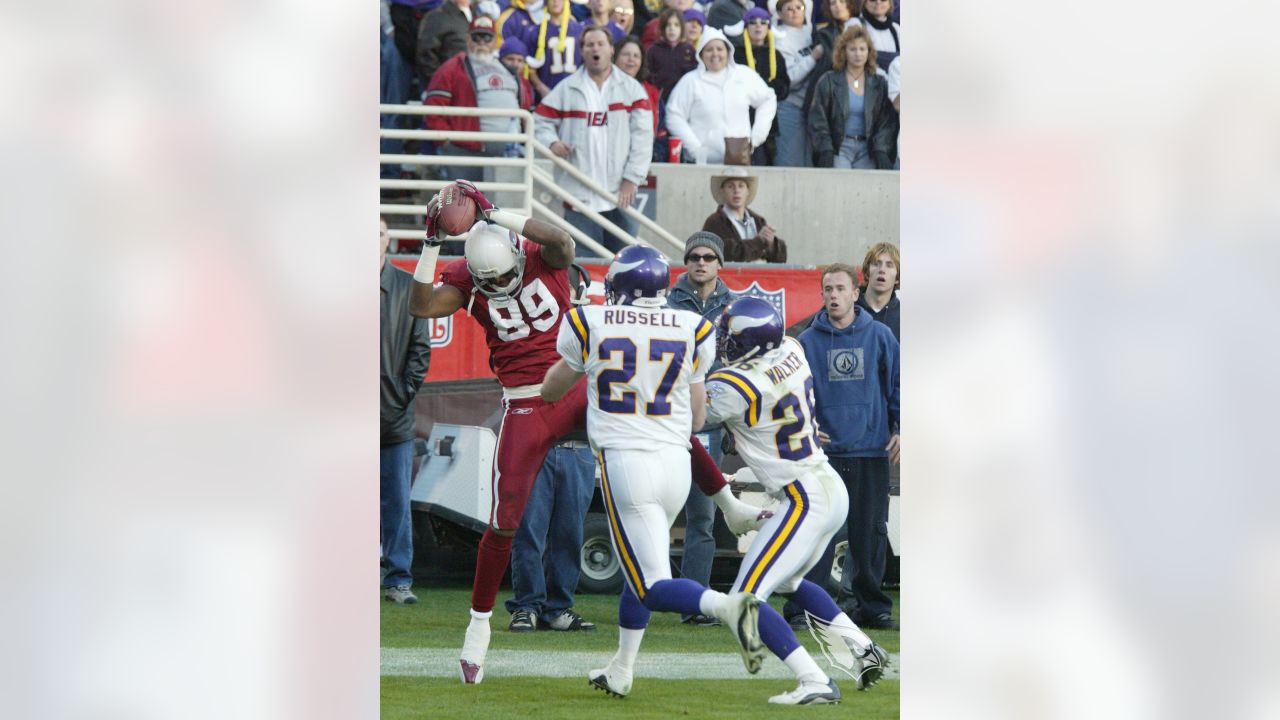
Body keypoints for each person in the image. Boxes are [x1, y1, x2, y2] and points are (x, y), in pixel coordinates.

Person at [408, 181, 761, 683]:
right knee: (505, 516)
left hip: (569, 383)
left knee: (656, 422)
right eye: (490, 281)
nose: (500, 285)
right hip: (525, 403)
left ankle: (730, 504)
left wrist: (498, 213)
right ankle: (478, 630)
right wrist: (429, 244)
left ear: (516, 251)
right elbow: (421, 306)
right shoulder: (470, 275)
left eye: (506, 274)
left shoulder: (537, 252)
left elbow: (563, 244)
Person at [541, 245, 771, 698]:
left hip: (628, 466)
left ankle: (729, 608)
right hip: (676, 466)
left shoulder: (591, 320)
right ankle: (622, 668)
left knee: (650, 584)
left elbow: (552, 390)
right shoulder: (694, 326)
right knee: (638, 571)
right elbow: (699, 420)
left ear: (620, 285)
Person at [706, 296, 890, 703]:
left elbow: (686, 414)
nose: (723, 341)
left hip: (802, 497)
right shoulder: (792, 347)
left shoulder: (734, 386)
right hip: (825, 483)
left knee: (743, 599)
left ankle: (814, 679)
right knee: (789, 580)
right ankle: (862, 648)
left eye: (729, 335)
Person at [797, 263, 900, 630]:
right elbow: (794, 393)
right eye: (828, 289)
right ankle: (806, 607)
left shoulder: (881, 336)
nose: (834, 296)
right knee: (816, 534)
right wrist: (807, 425)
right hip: (823, 456)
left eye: (841, 289)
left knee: (869, 532)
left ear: (856, 293)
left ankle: (873, 608)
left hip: (871, 451)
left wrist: (900, 427)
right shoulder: (807, 341)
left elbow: (900, 384)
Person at [533, 25, 654, 256]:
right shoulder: (566, 88)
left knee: (626, 264)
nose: (595, 49)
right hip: (578, 196)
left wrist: (632, 177)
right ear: (582, 51)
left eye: (600, 44)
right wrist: (552, 143)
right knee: (584, 267)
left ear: (611, 49)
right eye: (589, 44)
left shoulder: (632, 89)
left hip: (620, 194)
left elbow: (643, 138)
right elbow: (540, 121)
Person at [665, 231, 734, 624]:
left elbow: (741, 368)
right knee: (655, 513)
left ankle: (694, 603)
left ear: (719, 263)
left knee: (702, 519)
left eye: (709, 256)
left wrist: (733, 421)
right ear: (686, 261)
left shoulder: (735, 307)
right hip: (668, 422)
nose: (701, 262)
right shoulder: (665, 304)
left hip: (709, 426)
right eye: (694, 255)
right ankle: (648, 594)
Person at [380, 216, 432, 605]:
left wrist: (400, 396)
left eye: (378, 232)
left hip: (393, 419)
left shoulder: (405, 287)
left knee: (397, 501)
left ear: (389, 240)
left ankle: (398, 579)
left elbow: (420, 351)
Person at [426, 15, 536, 183]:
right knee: (465, 206)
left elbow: (525, 103)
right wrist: (447, 142)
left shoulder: (507, 68)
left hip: (508, 153)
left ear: (495, 41)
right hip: (466, 152)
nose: (482, 42)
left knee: (503, 205)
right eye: (476, 37)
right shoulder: (452, 68)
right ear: (468, 39)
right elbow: (433, 108)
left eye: (487, 37)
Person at [665, 27, 777, 165]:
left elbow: (768, 99)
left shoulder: (744, 75)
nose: (715, 54)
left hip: (739, 161)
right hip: (701, 164)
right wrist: (695, 148)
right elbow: (674, 115)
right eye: (709, 50)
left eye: (719, 49)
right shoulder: (690, 81)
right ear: (701, 54)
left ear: (728, 52)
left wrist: (756, 137)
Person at [809, 25, 896, 169]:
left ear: (869, 52)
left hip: (868, 149)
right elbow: (817, 119)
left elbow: (886, 121)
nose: (858, 54)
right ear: (844, 52)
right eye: (853, 49)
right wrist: (826, 148)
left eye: (862, 49)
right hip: (839, 147)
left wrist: (881, 148)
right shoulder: (828, 81)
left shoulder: (879, 83)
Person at [732, 7, 790, 166]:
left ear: (768, 28)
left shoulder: (777, 56)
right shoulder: (736, 54)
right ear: (746, 28)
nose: (758, 26)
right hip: (740, 121)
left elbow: (785, 86)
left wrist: (768, 90)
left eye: (763, 23)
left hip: (768, 123)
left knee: (765, 164)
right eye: (753, 23)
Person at [771, 0, 821, 167]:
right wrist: (812, 58)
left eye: (798, 8)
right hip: (790, 106)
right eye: (789, 9)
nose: (794, 12)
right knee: (790, 163)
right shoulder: (779, 37)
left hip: (811, 107)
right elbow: (789, 78)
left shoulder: (810, 32)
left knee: (808, 164)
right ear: (779, 14)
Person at [701, 167, 788, 262]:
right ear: (722, 191)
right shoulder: (714, 222)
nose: (736, 191)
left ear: (747, 191)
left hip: (758, 276)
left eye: (741, 186)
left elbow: (780, 259)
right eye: (730, 186)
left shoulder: (758, 220)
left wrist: (771, 243)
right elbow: (727, 253)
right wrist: (759, 242)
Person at [519, 0, 585, 98]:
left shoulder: (580, 30)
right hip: (547, 92)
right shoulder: (535, 32)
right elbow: (530, 68)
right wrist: (541, 88)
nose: (555, 2)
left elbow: (587, 65)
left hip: (576, 92)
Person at [417, 0, 473, 90]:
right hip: (448, 87)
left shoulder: (478, 15)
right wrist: (442, 80)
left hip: (476, 84)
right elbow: (426, 54)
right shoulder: (437, 17)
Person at [644, 7, 697, 99]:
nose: (672, 29)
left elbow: (695, 72)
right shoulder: (653, 50)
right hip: (660, 97)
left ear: (682, 28)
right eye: (668, 25)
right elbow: (647, 72)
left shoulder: (689, 50)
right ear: (662, 28)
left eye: (676, 25)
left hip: (683, 97)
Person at [856, 241, 899, 339]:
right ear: (867, 273)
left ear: (897, 277)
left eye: (889, 265)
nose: (882, 270)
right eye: (876, 264)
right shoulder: (846, 308)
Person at [847, 0, 899, 73]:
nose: (878, 2)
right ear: (864, 2)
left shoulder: (896, 29)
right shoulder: (855, 24)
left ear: (889, 3)